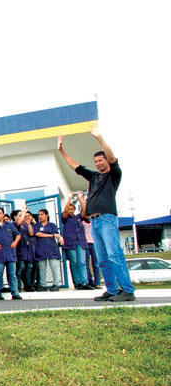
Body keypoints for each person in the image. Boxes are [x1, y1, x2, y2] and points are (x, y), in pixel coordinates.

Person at [58, 128, 135, 301]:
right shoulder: (93, 178)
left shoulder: (113, 175)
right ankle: (112, 290)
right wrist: (61, 149)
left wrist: (99, 138)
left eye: (101, 160)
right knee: (102, 258)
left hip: (107, 218)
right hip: (95, 222)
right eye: (96, 161)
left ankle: (127, 290)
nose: (99, 163)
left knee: (114, 254)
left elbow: (113, 158)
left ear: (106, 161)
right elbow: (75, 165)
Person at [61, 192, 92, 290]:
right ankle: (77, 282)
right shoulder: (65, 218)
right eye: (69, 209)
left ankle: (85, 282)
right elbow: (65, 212)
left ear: (74, 210)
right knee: (74, 263)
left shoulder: (78, 217)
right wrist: (69, 198)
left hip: (80, 242)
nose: (70, 210)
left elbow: (85, 211)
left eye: (72, 209)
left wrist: (80, 199)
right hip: (70, 243)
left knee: (82, 262)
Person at [31, 209, 63, 291]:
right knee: (42, 267)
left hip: (51, 248)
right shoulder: (37, 225)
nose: (40, 216)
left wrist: (59, 237)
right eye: (39, 215)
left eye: (42, 214)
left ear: (46, 215)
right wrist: (50, 235)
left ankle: (56, 284)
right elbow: (37, 233)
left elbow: (56, 234)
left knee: (54, 266)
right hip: (41, 248)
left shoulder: (52, 225)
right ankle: (43, 285)